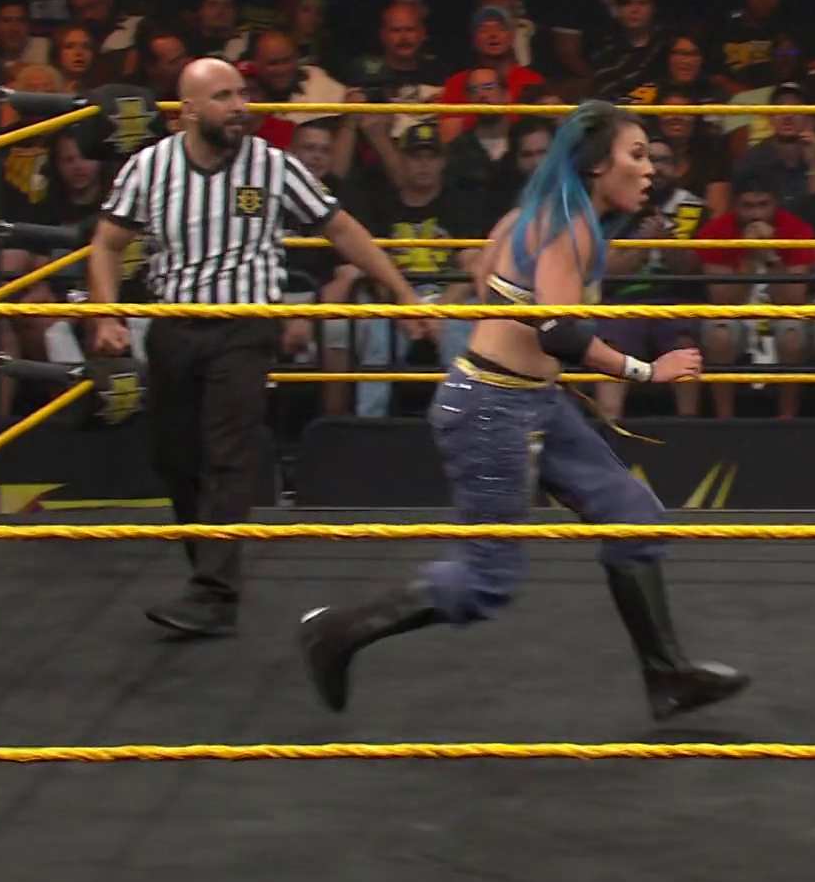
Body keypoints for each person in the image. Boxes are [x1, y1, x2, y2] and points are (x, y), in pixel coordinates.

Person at [297, 100, 749, 722]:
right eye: (637, 155)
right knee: (488, 580)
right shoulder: (569, 224)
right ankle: (337, 631)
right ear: (598, 163)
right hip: (491, 406)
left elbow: (488, 273)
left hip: (532, 399)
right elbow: (559, 333)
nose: (650, 169)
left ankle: (667, 676)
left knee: (630, 514)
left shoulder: (535, 213)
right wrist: (647, 370)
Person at [90, 58, 429, 637]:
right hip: (174, 327)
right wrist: (105, 313)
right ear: (189, 110)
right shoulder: (150, 167)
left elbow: (340, 227)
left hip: (245, 327)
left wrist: (400, 291)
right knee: (175, 459)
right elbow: (105, 244)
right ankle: (210, 573)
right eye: (223, 97)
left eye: (241, 94)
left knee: (228, 453)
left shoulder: (272, 166)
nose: (239, 107)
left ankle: (214, 594)